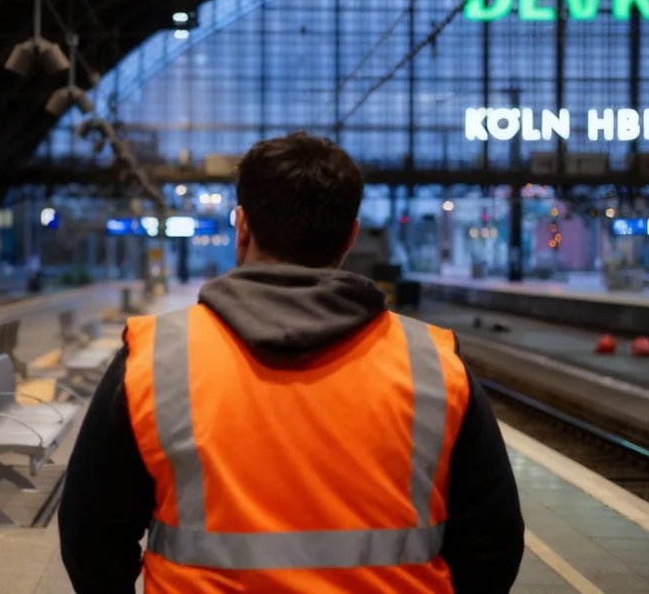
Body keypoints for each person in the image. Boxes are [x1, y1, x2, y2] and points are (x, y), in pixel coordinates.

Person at [58, 132, 524, 593]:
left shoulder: (155, 358)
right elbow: (493, 540)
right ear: (350, 236)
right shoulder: (431, 362)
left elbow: (90, 535)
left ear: (241, 228)